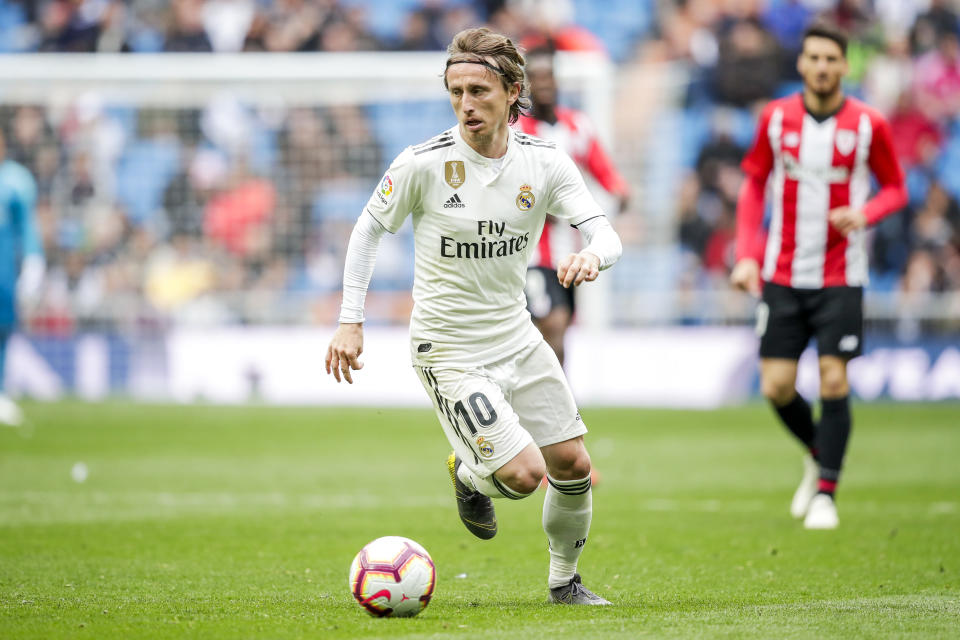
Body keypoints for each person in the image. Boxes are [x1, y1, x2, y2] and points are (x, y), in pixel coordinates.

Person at [325, 27, 622, 604]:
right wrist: (349, 319)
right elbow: (366, 232)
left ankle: (565, 582)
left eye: (479, 90)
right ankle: (467, 474)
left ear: (514, 92)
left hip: (517, 336)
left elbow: (604, 231)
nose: (466, 104)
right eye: (456, 90)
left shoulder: (545, 162)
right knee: (522, 474)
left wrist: (592, 255)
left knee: (572, 462)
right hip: (449, 347)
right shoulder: (423, 163)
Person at [730, 22, 907, 530]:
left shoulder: (870, 124)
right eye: (815, 58)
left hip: (840, 274)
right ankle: (818, 451)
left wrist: (865, 214)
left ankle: (827, 491)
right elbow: (753, 184)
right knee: (777, 387)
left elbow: (895, 188)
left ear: (845, 66)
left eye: (832, 59)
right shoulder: (776, 118)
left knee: (834, 378)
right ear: (802, 64)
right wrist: (747, 254)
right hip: (781, 272)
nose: (823, 67)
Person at [515, 46, 629, 366]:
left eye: (549, 77)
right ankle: (554, 407)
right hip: (532, 253)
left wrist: (619, 192)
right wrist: (536, 206)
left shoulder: (577, 125)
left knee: (558, 331)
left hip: (571, 252)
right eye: (536, 79)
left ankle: (546, 402)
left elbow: (605, 171)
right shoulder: (516, 132)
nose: (545, 84)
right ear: (525, 87)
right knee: (552, 326)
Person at [0, 127, 44, 427]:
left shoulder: (15, 180)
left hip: (3, 266)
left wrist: (32, 260)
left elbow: (27, 227)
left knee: (4, 325)